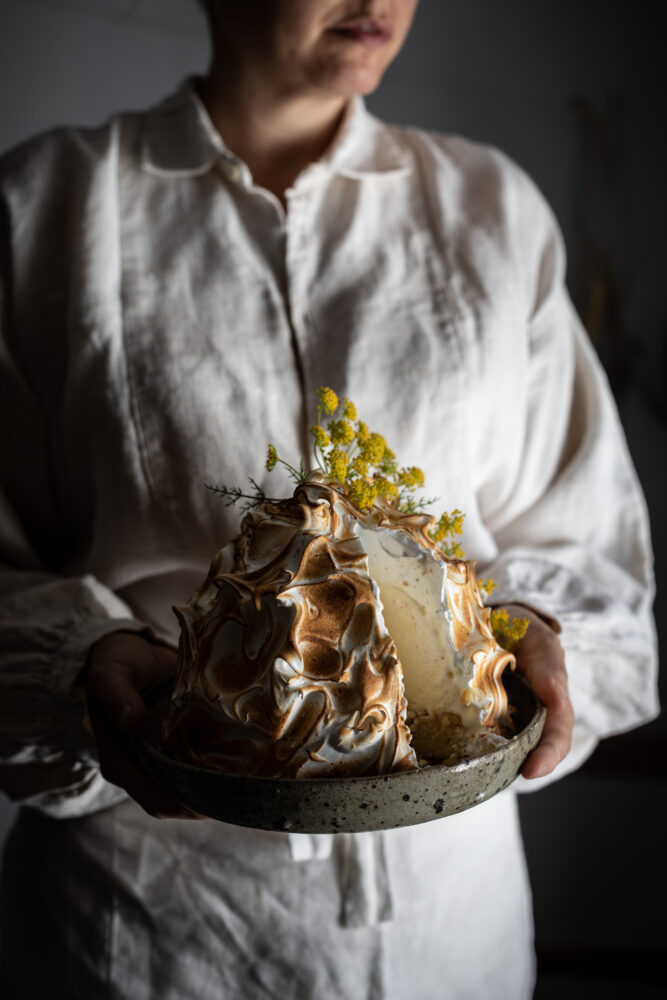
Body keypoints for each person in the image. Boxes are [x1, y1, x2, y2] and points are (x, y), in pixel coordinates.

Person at [0, 1, 658, 997]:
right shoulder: (44, 208)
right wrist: (82, 660)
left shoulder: (489, 208)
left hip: (450, 935)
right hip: (153, 936)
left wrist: (535, 633)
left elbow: (594, 545)